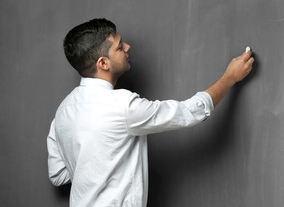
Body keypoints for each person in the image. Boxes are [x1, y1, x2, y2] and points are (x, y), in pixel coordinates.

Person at [47, 18, 254, 207]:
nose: (128, 47)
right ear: (103, 63)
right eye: (120, 47)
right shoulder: (122, 106)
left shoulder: (63, 110)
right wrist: (230, 78)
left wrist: (95, 166)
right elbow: (188, 112)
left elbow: (57, 174)